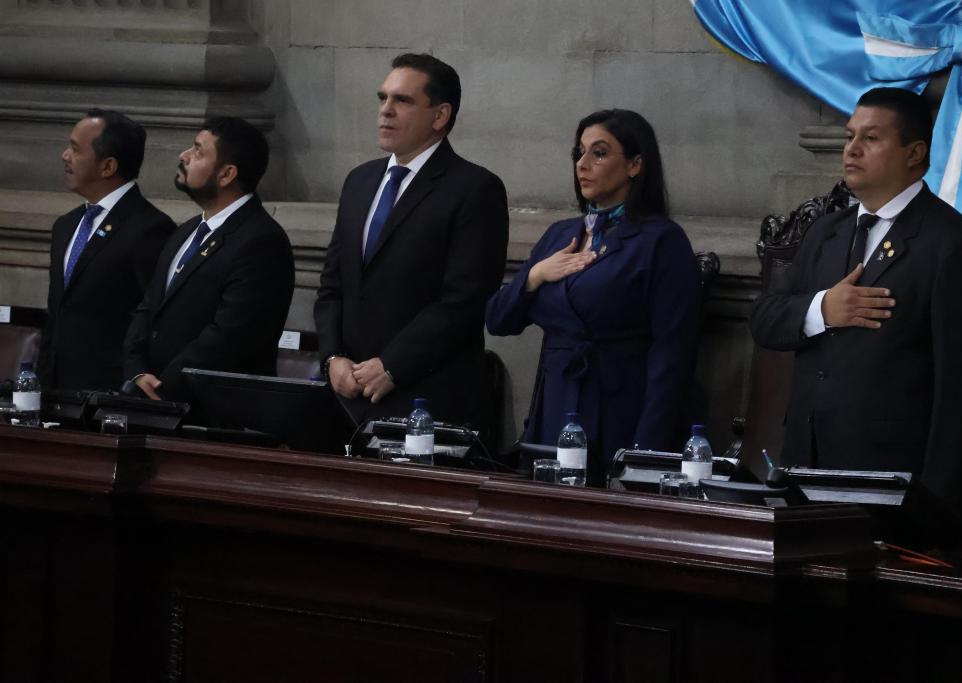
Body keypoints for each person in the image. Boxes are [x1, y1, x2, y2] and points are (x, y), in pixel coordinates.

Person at [749, 87, 962, 521]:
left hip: (891, 482)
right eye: (850, 137)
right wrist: (822, 309)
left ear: (914, 152)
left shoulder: (955, 245)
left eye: (871, 139)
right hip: (805, 466)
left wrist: (940, 507)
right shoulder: (827, 232)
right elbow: (765, 319)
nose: (851, 150)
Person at [486, 109, 701, 484]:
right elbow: (498, 320)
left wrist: (646, 452)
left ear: (635, 164)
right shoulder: (559, 234)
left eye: (599, 153)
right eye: (579, 153)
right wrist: (535, 276)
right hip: (554, 407)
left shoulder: (661, 240)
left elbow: (673, 351)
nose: (582, 164)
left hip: (619, 407)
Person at [314, 53, 509, 429]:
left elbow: (464, 300)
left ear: (440, 116)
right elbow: (333, 282)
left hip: (425, 397)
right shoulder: (360, 181)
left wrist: (393, 365)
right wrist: (332, 356)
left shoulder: (473, 188)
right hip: (346, 396)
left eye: (402, 101)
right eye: (382, 98)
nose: (385, 110)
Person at [123, 117, 295, 402]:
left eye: (198, 151)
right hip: (155, 404)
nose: (184, 156)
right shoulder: (185, 232)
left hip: (211, 413)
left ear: (226, 174)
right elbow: (148, 308)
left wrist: (164, 387)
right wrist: (137, 371)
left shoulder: (261, 241)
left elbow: (230, 336)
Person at [38, 109, 175, 392]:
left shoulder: (150, 229)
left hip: (110, 397)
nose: (65, 155)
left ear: (107, 167)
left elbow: (154, 318)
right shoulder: (66, 226)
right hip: (55, 391)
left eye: (75, 149)